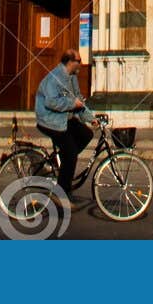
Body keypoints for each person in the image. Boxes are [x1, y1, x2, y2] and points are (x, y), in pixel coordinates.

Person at [35, 50, 96, 199]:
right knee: (71, 153)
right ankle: (60, 194)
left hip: (64, 118)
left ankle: (61, 163)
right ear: (70, 62)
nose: (81, 64)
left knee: (87, 134)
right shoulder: (55, 77)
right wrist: (72, 103)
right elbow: (51, 102)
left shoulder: (72, 77)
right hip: (50, 121)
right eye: (79, 61)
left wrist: (91, 118)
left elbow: (78, 100)